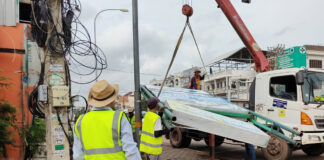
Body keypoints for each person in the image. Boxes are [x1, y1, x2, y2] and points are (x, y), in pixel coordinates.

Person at [73, 80, 141, 160]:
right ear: (112, 100)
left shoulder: (80, 121)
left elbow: (78, 155)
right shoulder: (119, 118)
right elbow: (130, 151)